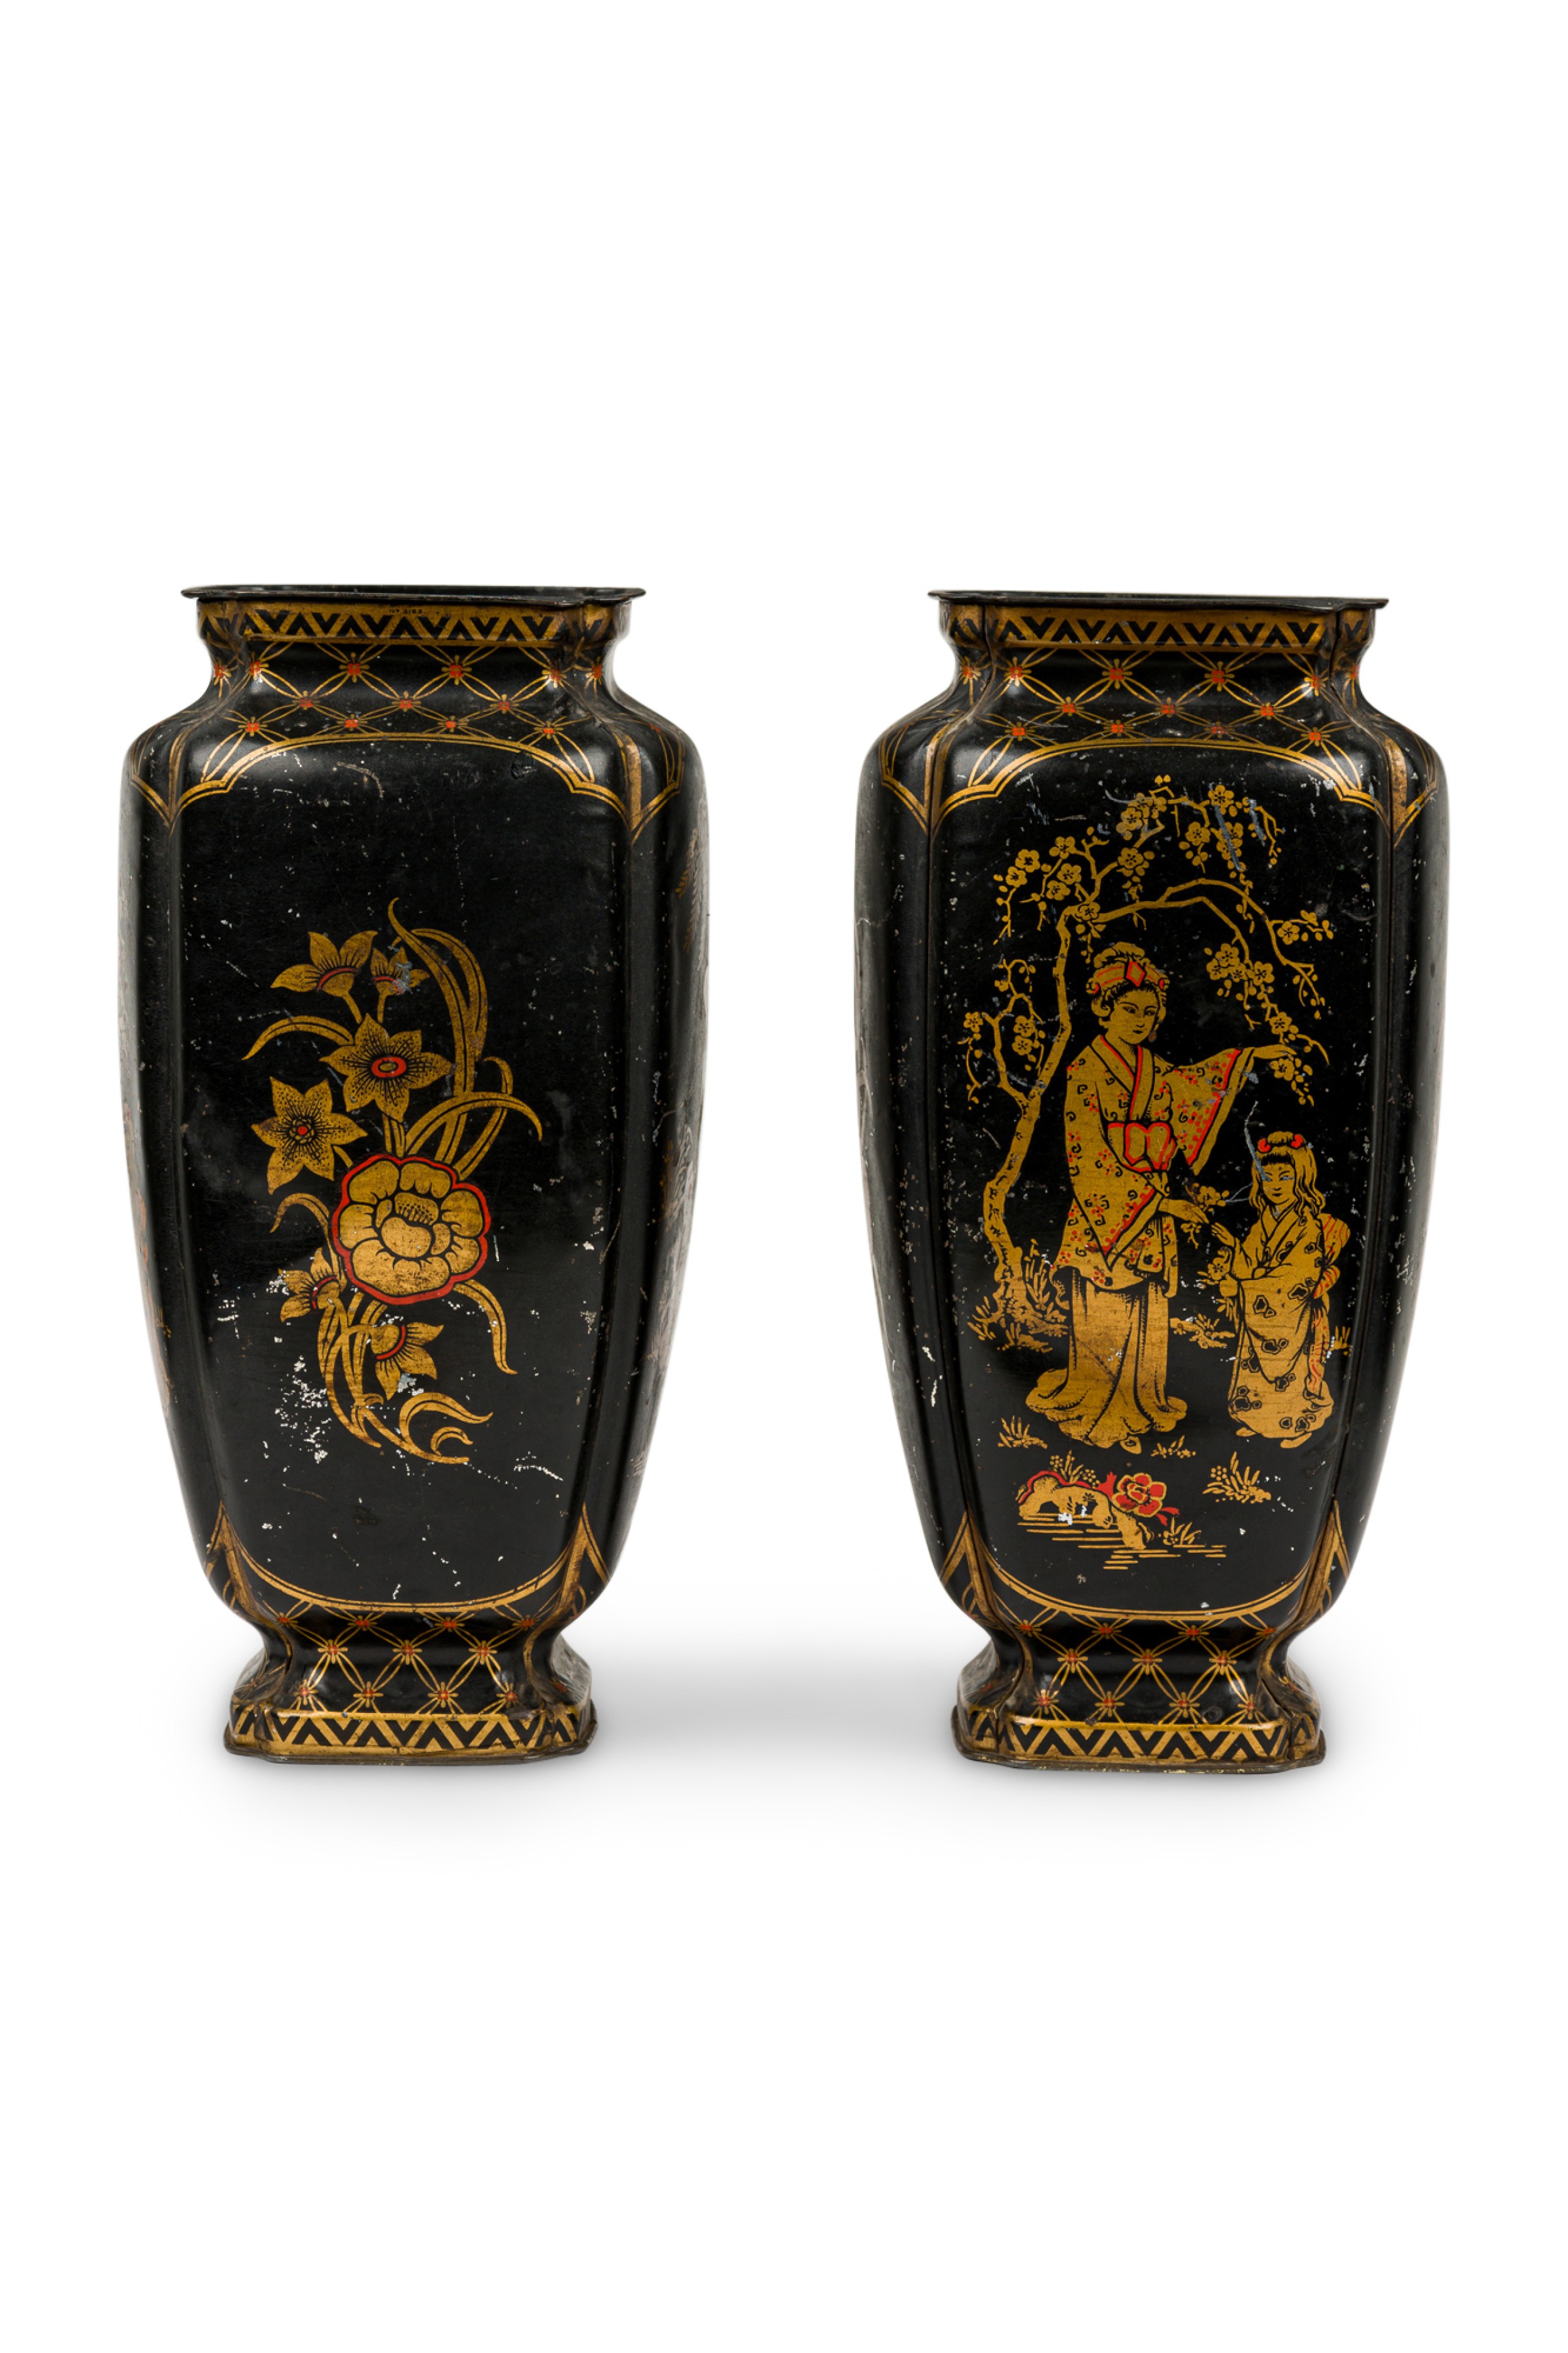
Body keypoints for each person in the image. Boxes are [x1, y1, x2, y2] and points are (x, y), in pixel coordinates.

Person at [1026, 943, 1288, 1454]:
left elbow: (1192, 1086)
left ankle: (1138, 1402)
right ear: (1103, 1009)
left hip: (1146, 1207)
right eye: (1129, 1010)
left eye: (1148, 1013)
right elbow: (1086, 1155)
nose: (1140, 1021)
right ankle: (1099, 1408)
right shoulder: (1086, 1069)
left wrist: (1245, 1059)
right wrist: (1163, 1204)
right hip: (1107, 1212)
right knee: (1106, 1304)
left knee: (1144, 1305)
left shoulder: (1152, 1067)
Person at [1210, 1133, 1347, 1448]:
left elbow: (1298, 1277)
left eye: (1285, 1177)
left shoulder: (1307, 1225)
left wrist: (1247, 1288)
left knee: (1292, 1372)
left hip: (1292, 1312)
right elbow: (1248, 1263)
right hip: (1262, 1308)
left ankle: (1297, 1426)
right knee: (1255, 1369)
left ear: (1300, 1179)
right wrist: (1235, 1249)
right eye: (1267, 1177)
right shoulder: (1262, 1224)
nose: (1275, 1185)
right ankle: (1259, 1421)